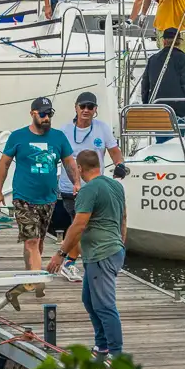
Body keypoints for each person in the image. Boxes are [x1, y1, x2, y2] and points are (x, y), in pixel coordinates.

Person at [48, 149, 129, 358]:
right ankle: (102, 345)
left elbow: (78, 225)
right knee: (89, 300)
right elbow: (124, 218)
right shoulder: (116, 185)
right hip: (109, 250)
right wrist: (121, 243)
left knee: (105, 305)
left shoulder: (88, 190)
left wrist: (61, 254)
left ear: (80, 168)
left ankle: (115, 353)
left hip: (102, 253)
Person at [0, 98, 78, 271]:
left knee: (38, 242)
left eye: (50, 114)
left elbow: (69, 162)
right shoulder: (18, 136)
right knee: (31, 240)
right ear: (32, 114)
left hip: (48, 198)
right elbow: (4, 164)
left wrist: (76, 183)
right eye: (43, 114)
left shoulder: (58, 137)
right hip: (23, 197)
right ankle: (37, 280)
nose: (47, 118)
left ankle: (30, 274)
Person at [51, 92, 124, 236]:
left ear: (95, 109)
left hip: (94, 188)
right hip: (71, 189)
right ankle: (73, 249)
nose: (86, 110)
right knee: (78, 225)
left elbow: (115, 152)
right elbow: (54, 156)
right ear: (76, 108)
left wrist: (120, 165)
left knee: (91, 226)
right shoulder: (64, 130)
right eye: (82, 106)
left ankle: (82, 249)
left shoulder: (102, 128)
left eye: (90, 107)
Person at [140, 28, 185, 117]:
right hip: (178, 107)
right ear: (179, 42)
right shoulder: (184, 58)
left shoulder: (153, 59)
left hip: (156, 105)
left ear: (164, 41)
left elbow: (145, 84)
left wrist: (146, 105)